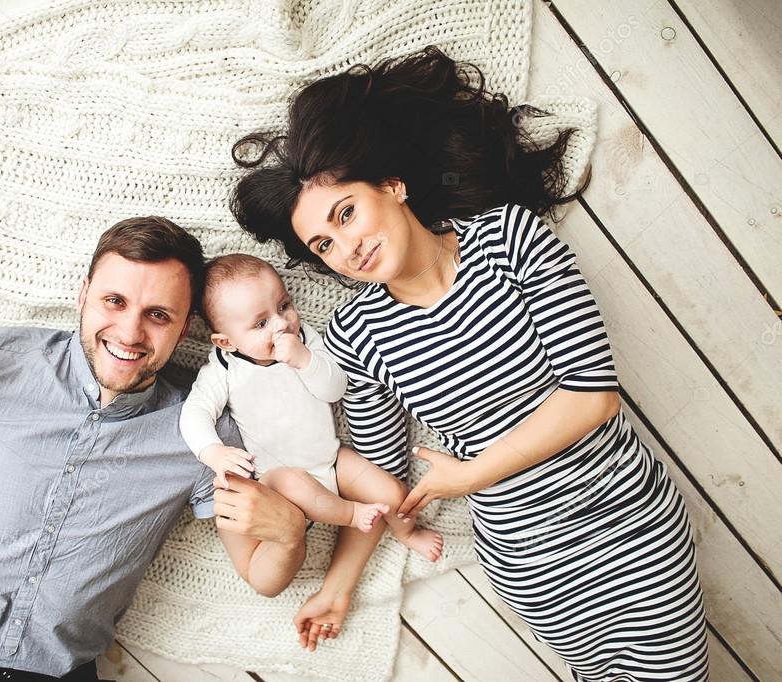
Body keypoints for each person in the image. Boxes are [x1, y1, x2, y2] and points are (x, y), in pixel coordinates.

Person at [229, 46, 710, 680]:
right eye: (324, 243)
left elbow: (592, 397)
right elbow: (384, 480)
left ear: (392, 186)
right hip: (528, 568)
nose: (346, 247)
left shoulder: (510, 239)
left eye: (346, 213)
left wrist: (470, 474)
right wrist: (340, 585)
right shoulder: (357, 334)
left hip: (626, 527)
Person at [0, 217, 311, 681]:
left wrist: (289, 537)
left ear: (186, 328)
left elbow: (260, 575)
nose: (130, 332)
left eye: (158, 314)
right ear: (83, 293)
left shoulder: (202, 434)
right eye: (115, 301)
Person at [179, 253, 445, 568]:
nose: (281, 324)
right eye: (261, 323)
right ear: (226, 342)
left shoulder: (306, 340)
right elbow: (194, 413)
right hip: (279, 479)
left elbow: (335, 389)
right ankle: (351, 514)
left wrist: (305, 360)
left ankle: (407, 532)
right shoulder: (223, 368)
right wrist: (212, 452)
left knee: (390, 489)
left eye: (284, 306)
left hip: (331, 460)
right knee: (294, 481)